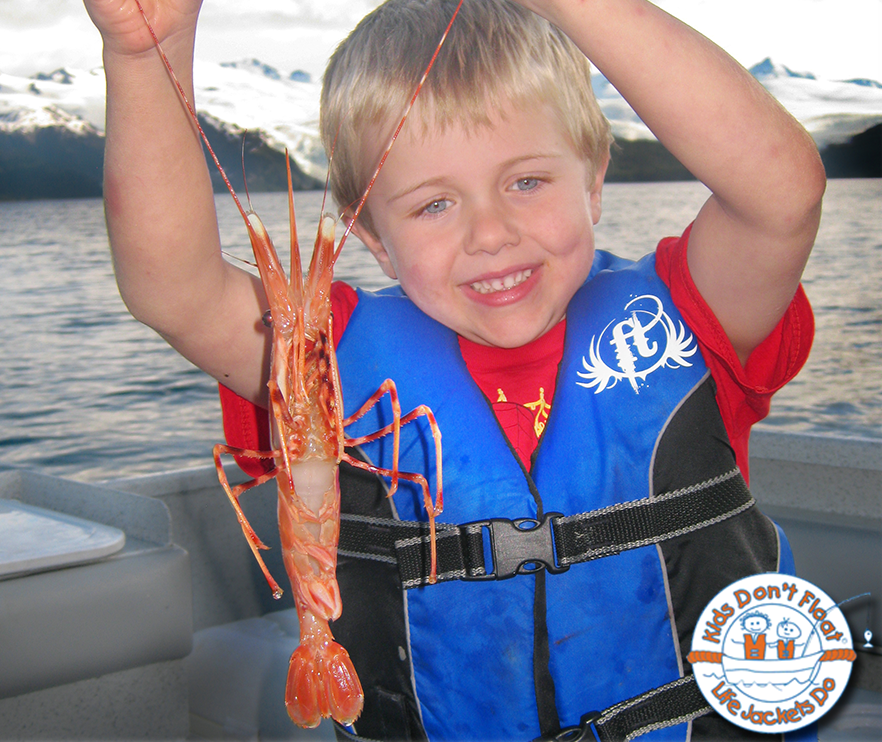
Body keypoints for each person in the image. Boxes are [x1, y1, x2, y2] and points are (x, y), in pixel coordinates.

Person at [83, 0, 825, 740]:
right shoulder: (329, 356)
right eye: (434, 204)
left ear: (595, 179)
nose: (491, 234)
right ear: (371, 235)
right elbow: (171, 289)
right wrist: (147, 51)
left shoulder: (695, 314)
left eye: (527, 181)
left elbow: (783, 196)